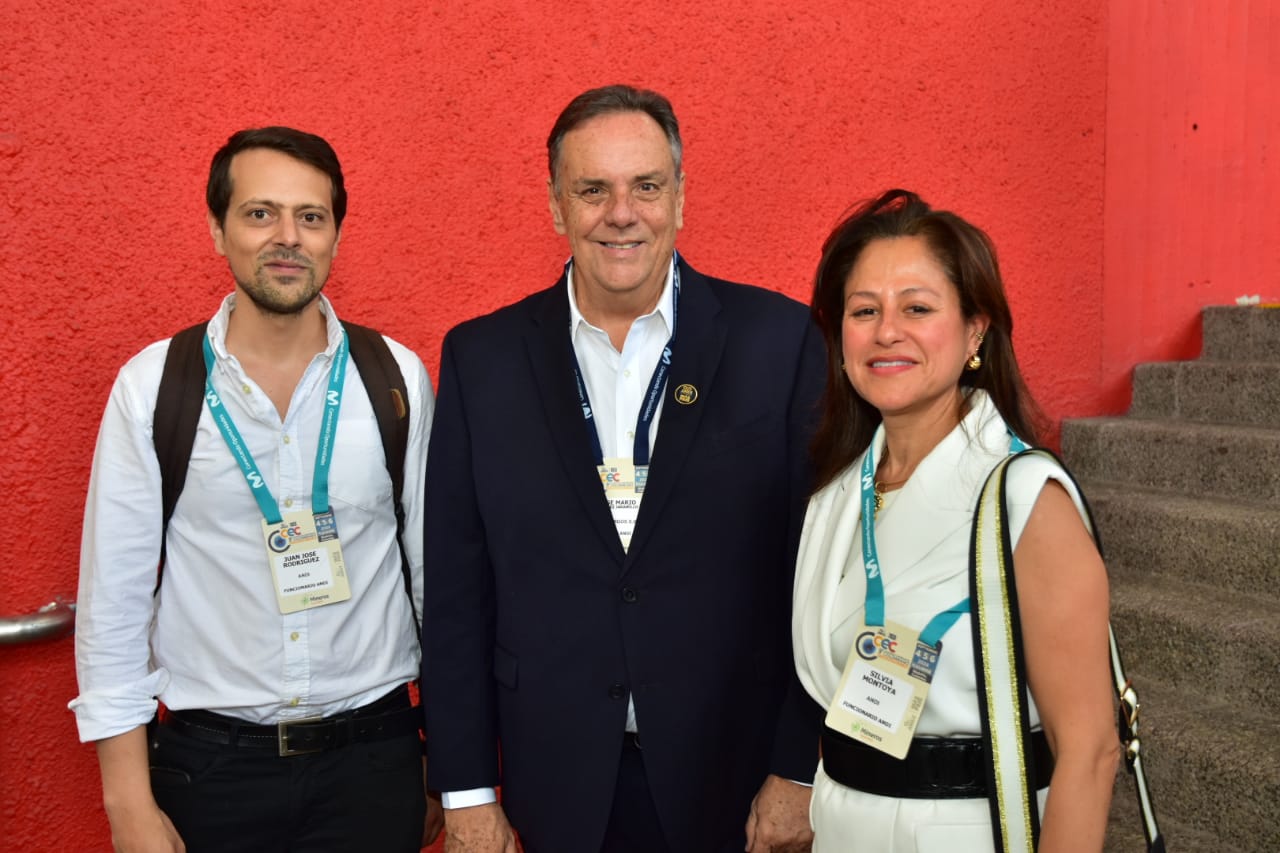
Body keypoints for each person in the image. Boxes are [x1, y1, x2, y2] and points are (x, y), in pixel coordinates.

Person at [421, 85, 825, 853]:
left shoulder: (781, 341)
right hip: (554, 785)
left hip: (734, 784)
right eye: (592, 190)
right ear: (556, 206)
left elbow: (815, 579)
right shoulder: (482, 359)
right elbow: (456, 593)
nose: (621, 213)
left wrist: (799, 768)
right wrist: (468, 790)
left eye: (645, 186)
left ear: (679, 197)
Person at [70, 126, 442, 853]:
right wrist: (127, 802)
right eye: (260, 213)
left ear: (336, 234)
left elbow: (435, 582)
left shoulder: (394, 378)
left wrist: (445, 764)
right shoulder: (154, 386)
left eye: (311, 216)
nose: (288, 237)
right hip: (210, 772)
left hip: (375, 761)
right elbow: (114, 602)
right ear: (218, 229)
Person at [791, 189, 1119, 852]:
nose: (887, 331)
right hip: (843, 823)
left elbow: (1090, 751)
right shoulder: (835, 494)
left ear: (975, 330)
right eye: (864, 310)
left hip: (970, 829)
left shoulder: (1026, 499)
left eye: (917, 308)